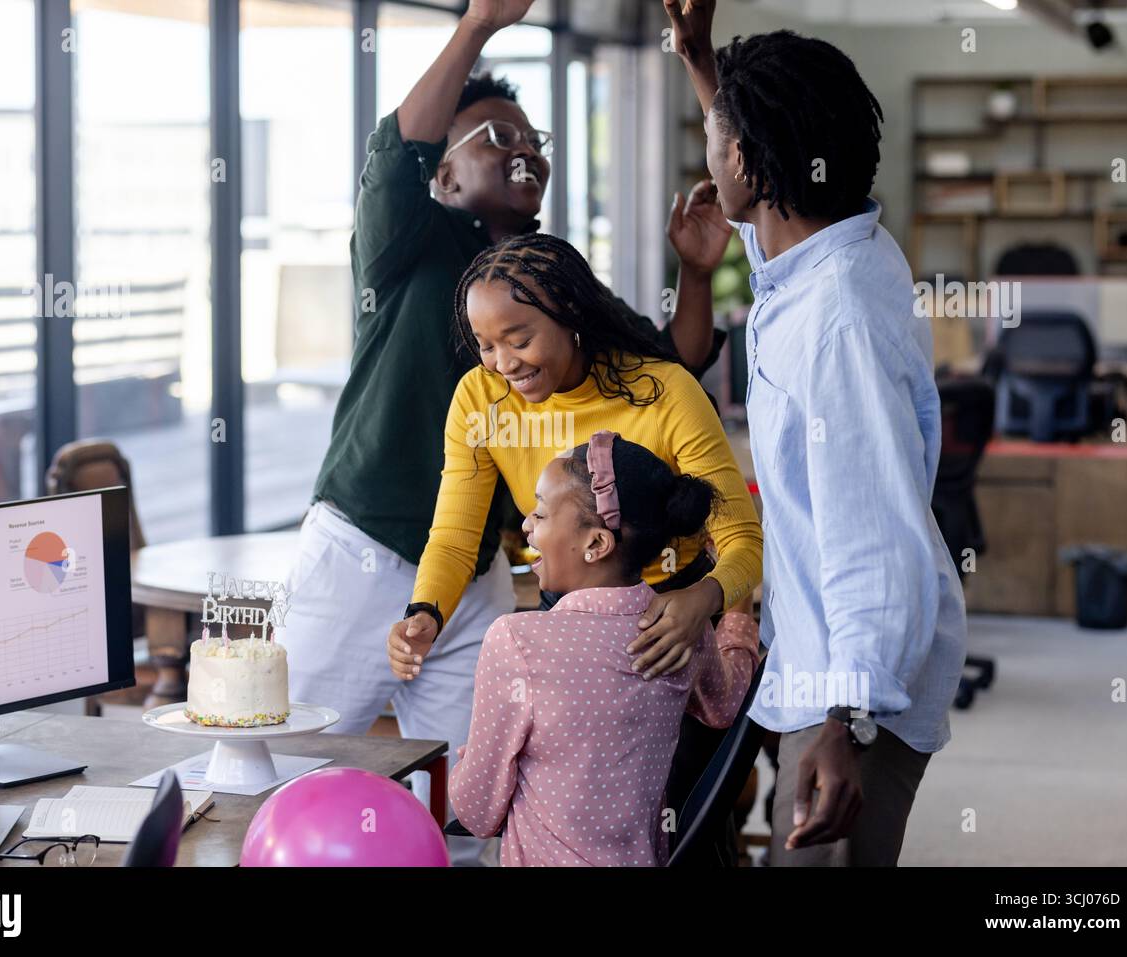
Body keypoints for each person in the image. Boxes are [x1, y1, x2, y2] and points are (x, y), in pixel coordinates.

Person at [278, 0, 731, 866]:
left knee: (469, 797)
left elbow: (671, 359)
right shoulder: (405, 244)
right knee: (289, 771)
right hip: (358, 552)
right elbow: (394, 156)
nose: (525, 150)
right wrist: (479, 24)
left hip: (473, 573)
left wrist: (693, 272)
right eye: (495, 136)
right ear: (444, 175)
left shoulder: (552, 279)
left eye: (535, 142)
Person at [663, 0, 967, 866]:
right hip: (825, 665)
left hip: (853, 687)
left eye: (719, 142)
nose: (710, 157)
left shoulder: (836, 322)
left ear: (752, 165)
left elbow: (870, 535)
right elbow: (764, 216)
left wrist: (847, 722)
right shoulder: (829, 251)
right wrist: (702, 67)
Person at [386, 233, 763, 816]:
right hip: (567, 625)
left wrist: (701, 600)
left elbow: (744, 539)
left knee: (679, 815)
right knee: (569, 806)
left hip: (675, 622)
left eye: (520, 339)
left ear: (572, 316)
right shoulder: (480, 400)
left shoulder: (663, 392)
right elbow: (456, 533)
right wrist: (425, 612)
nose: (503, 363)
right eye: (485, 344)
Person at [448, 432, 760, 865]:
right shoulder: (684, 631)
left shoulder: (517, 641)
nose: (525, 524)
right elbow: (725, 704)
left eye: (540, 512)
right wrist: (737, 611)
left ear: (596, 544)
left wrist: (474, 764)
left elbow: (477, 812)